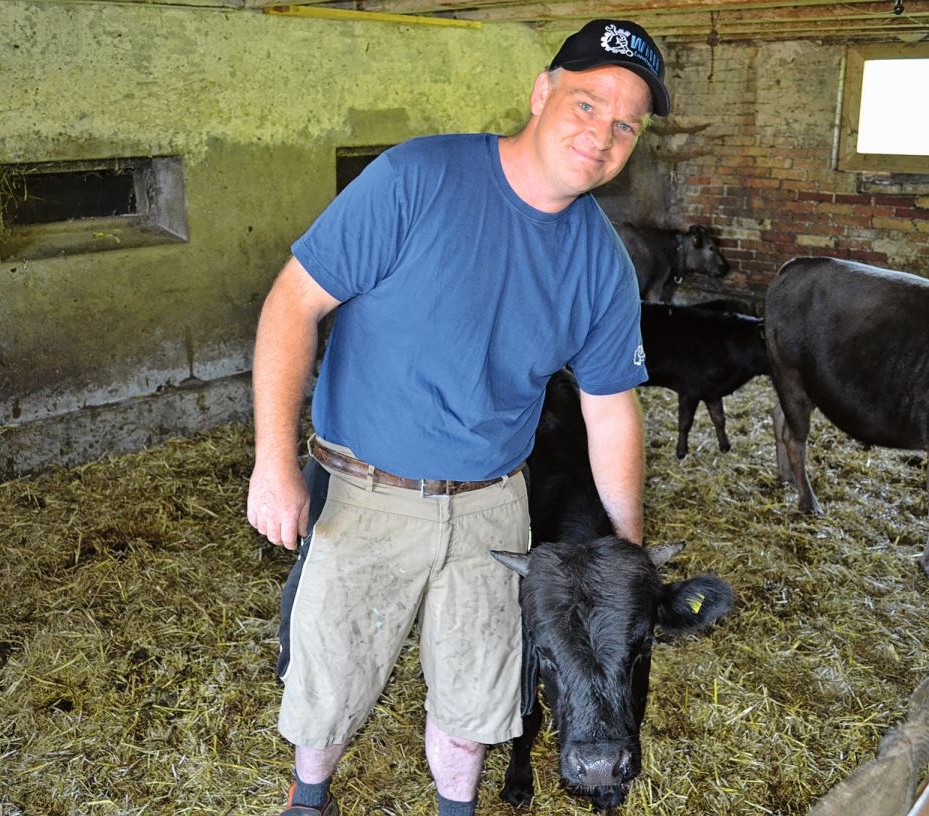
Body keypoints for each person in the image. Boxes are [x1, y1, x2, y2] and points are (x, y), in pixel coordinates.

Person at [246, 18, 670, 816]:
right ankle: (309, 799)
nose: (602, 134)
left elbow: (611, 411)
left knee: (478, 695)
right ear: (542, 93)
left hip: (492, 506)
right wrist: (273, 461)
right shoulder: (418, 177)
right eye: (587, 104)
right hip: (365, 492)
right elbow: (290, 304)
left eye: (625, 124)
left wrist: (626, 556)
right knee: (331, 679)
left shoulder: (601, 263)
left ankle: (456, 809)